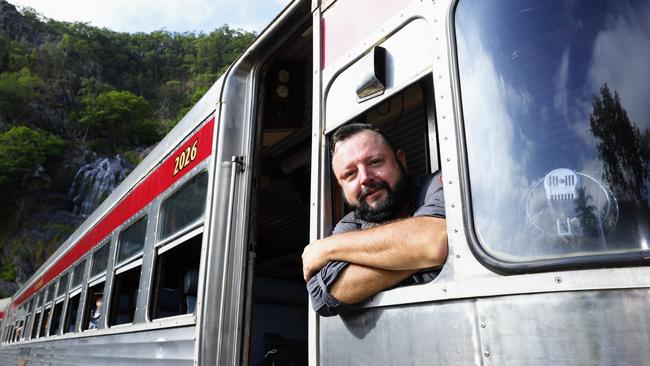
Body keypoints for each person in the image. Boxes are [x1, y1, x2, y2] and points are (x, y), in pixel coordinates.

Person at [303, 123, 448, 316]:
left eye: (375, 162)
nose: (364, 178)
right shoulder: (350, 225)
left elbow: (432, 242)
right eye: (350, 174)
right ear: (342, 186)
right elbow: (323, 295)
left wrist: (326, 248)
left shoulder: (440, 185)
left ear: (401, 161)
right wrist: (417, 253)